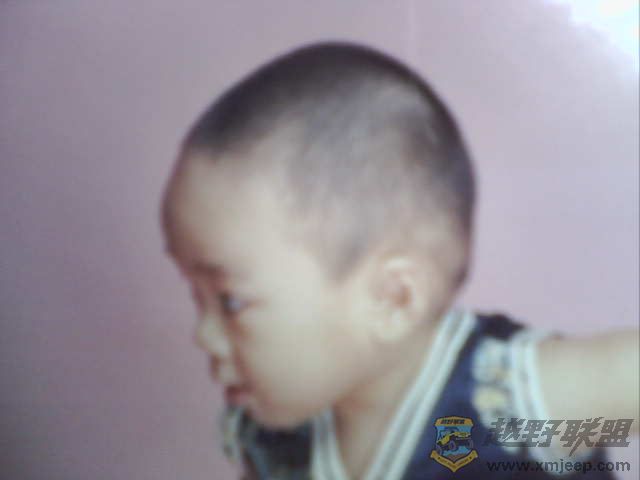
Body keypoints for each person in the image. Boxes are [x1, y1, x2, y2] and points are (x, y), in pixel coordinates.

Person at [161, 42, 638, 479]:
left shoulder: (509, 406)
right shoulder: (278, 435)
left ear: (393, 299)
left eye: (230, 301)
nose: (203, 336)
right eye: (195, 296)